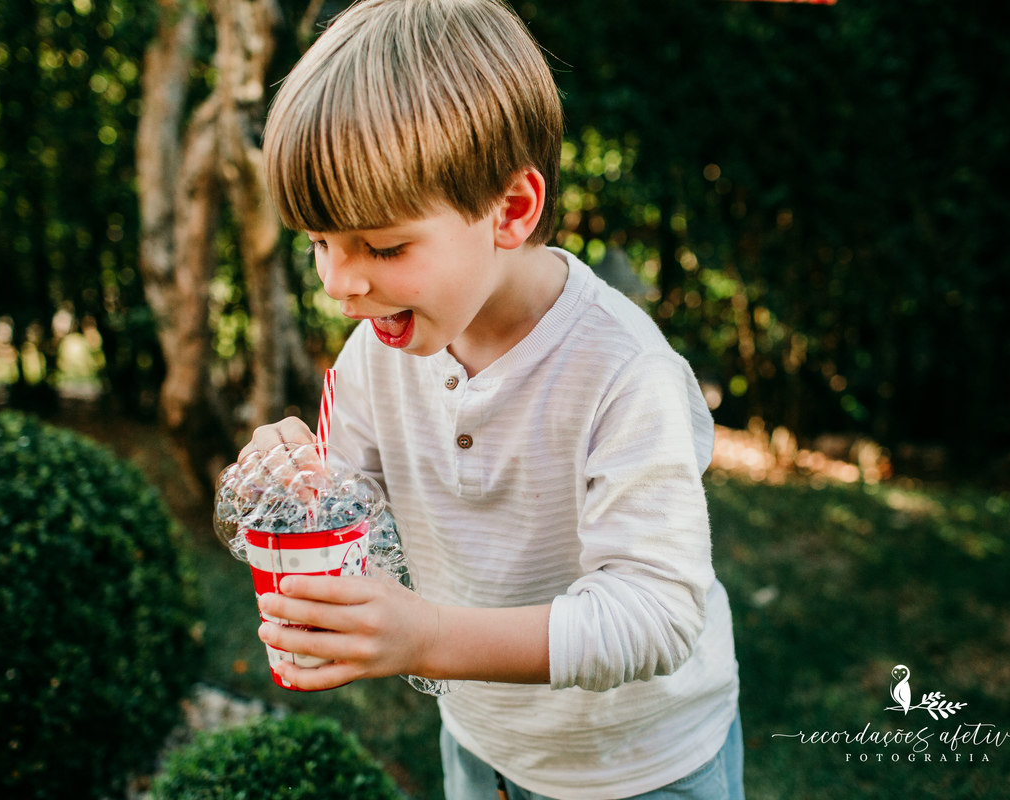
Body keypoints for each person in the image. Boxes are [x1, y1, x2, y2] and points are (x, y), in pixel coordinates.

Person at [243, 1, 742, 797]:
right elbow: (356, 524)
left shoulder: (623, 372)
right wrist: (293, 492)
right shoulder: (378, 353)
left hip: (639, 766)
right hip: (480, 745)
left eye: (382, 246)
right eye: (319, 244)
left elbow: (655, 613)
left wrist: (429, 637)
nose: (339, 285)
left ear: (510, 211)